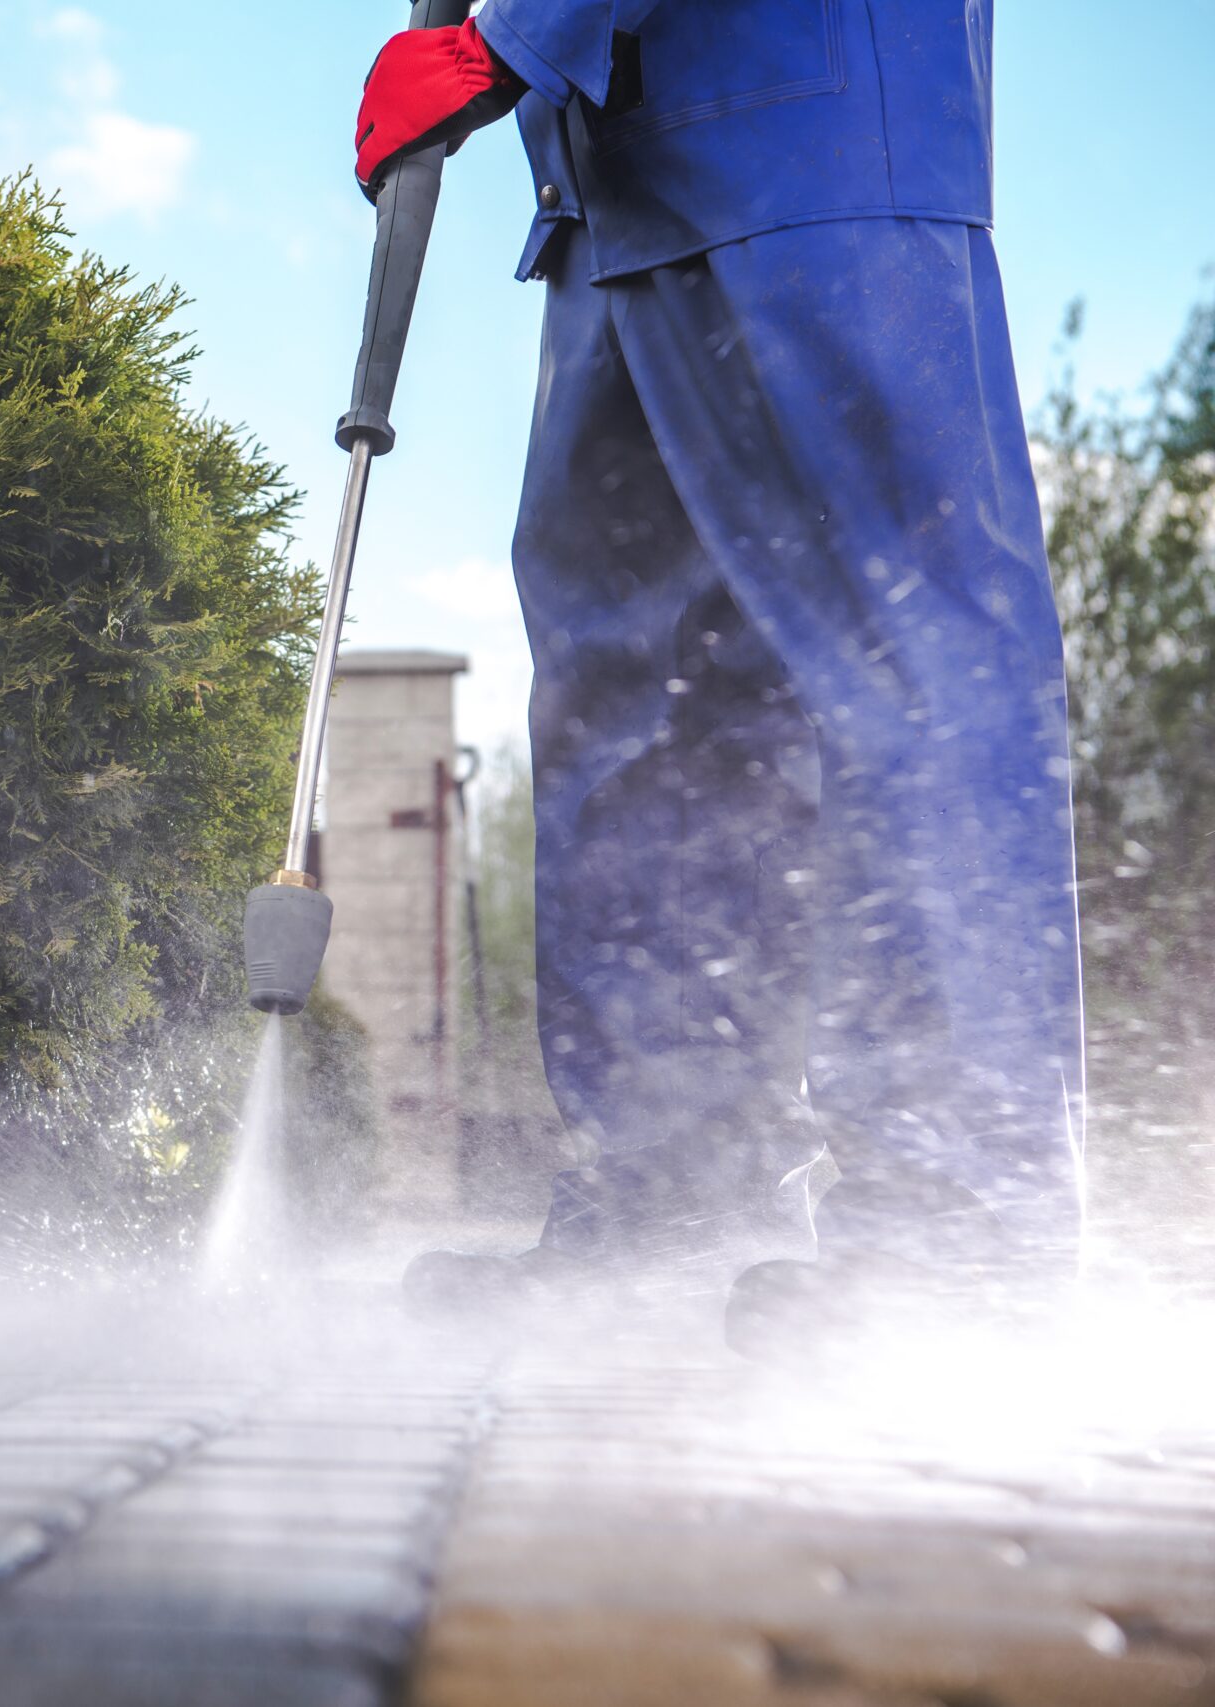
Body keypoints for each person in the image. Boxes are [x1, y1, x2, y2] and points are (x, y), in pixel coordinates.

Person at [351, 1, 1086, 1352]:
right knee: (640, 698)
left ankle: (964, 1235)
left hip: (810, 151)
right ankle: (672, 1196)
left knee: (912, 655)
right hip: (608, 187)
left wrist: (508, 35)